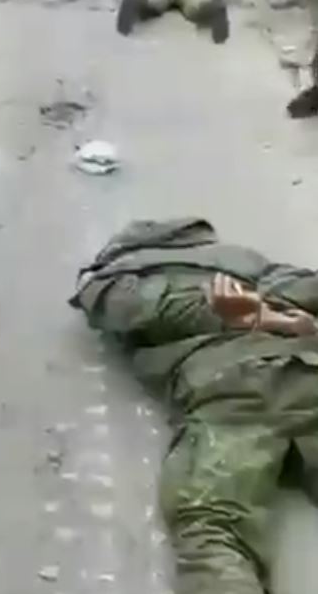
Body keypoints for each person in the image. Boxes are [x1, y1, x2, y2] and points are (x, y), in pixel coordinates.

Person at [70, 216, 318, 594]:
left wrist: (259, 319)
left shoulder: (117, 280)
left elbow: (142, 312)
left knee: (212, 527)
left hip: (232, 390)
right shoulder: (245, 261)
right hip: (303, 370)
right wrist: (286, 322)